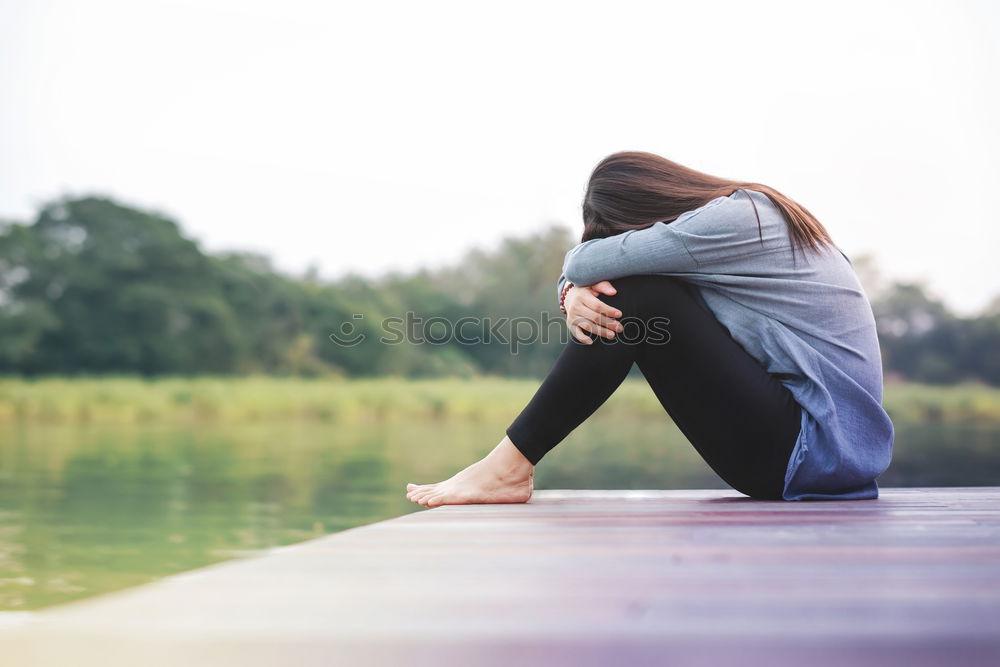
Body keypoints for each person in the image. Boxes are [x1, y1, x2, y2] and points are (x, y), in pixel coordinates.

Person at [405, 151, 893, 507]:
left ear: (643, 209)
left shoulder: (739, 218)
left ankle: (507, 468)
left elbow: (589, 261)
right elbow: (594, 266)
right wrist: (571, 291)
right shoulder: (737, 225)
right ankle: (506, 468)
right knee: (634, 292)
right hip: (808, 456)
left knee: (637, 297)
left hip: (811, 450)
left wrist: (573, 285)